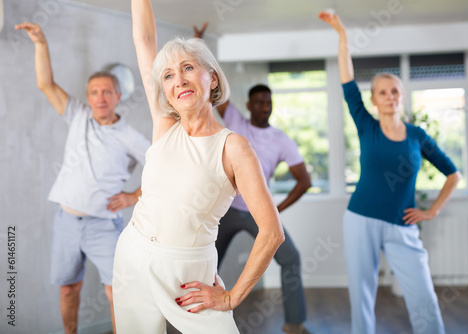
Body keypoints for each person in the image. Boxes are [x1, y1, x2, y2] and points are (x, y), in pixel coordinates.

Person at [111, 0, 285, 333]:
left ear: (213, 79)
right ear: (165, 90)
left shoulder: (234, 147)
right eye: (168, 75)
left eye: (188, 67)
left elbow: (272, 232)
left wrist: (231, 298)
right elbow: (144, 39)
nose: (179, 79)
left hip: (188, 272)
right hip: (132, 255)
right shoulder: (165, 124)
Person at [318, 12, 462, 334]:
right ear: (373, 99)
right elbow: (346, 80)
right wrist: (342, 34)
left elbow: (453, 174)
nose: (389, 97)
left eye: (395, 91)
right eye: (382, 92)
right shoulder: (366, 125)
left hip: (402, 225)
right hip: (361, 220)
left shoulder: (417, 136)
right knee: (362, 297)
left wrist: (432, 211)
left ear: (402, 96)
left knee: (424, 297)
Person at [15, 23, 150, 334]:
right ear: (88, 97)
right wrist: (39, 42)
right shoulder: (77, 115)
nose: (100, 98)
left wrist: (133, 196)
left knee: (117, 291)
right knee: (67, 289)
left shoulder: (131, 137)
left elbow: (163, 171)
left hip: (104, 224)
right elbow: (45, 84)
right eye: (94, 92)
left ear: (118, 96)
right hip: (66, 220)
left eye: (106, 92)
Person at [215, 86, 312, 334]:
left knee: (291, 258)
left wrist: (276, 210)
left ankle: (294, 324)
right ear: (249, 105)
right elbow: (212, 90)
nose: (264, 107)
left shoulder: (281, 140)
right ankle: (194, 321)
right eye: (258, 102)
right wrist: (198, 49)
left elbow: (304, 181)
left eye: (268, 102)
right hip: (225, 209)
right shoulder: (235, 120)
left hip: (257, 213)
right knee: (205, 261)